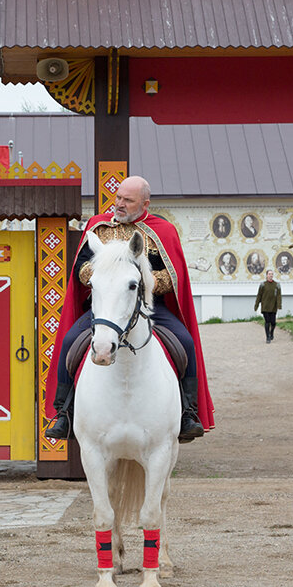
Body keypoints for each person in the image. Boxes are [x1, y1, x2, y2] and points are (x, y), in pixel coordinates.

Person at [44, 176, 213, 444]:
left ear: (145, 203)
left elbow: (172, 277)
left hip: (147, 306)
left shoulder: (163, 231)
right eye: (118, 197)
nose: (119, 204)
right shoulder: (97, 227)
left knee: (185, 341)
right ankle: (63, 412)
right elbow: (81, 267)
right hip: (106, 307)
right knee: (68, 342)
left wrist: (140, 280)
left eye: (128, 200)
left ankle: (187, 413)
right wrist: (104, 277)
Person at [254, 270, 282, 343]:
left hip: (273, 307)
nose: (271, 275)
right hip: (265, 306)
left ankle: (271, 332)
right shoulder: (263, 285)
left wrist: (279, 305)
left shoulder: (277, 285)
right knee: (267, 322)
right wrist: (256, 305)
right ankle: (268, 337)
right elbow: (259, 295)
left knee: (273, 322)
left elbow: (279, 296)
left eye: (272, 274)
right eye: (269, 274)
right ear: (266, 275)